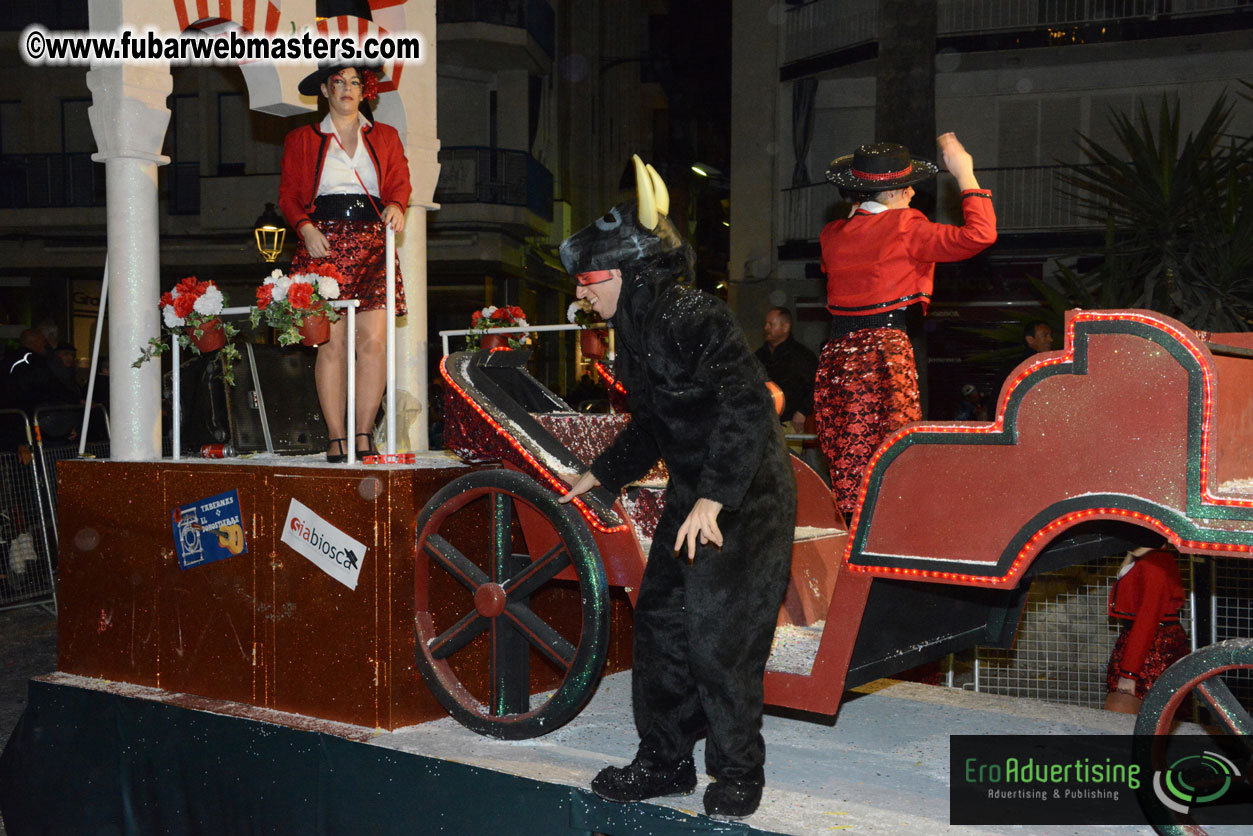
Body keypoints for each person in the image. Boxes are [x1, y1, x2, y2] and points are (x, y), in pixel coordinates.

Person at [559, 156, 796, 820]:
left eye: (586, 281)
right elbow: (652, 423)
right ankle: (663, 761)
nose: (581, 296)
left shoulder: (698, 316)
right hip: (695, 494)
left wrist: (717, 500)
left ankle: (737, 771)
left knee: (719, 635)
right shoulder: (631, 332)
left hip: (745, 496)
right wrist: (602, 472)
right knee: (661, 623)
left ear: (624, 273)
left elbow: (747, 410)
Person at [813, 134, 996, 516]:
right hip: (882, 353)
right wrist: (965, 173)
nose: (913, 193)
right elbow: (980, 234)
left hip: (835, 360)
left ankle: (853, 547)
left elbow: (846, 257)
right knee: (891, 465)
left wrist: (858, 213)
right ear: (892, 193)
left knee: (850, 465)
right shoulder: (906, 226)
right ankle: (884, 548)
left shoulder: (830, 236)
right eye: (906, 186)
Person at [278, 63, 411, 462]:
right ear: (325, 89)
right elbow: (287, 194)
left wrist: (397, 205)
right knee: (331, 346)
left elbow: (400, 181)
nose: (348, 89)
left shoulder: (384, 136)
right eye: (339, 82)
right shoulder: (302, 138)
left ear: (364, 91)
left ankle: (364, 434)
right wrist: (304, 228)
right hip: (324, 245)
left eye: (355, 82)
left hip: (373, 241)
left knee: (373, 342)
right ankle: (336, 437)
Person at [1104, 546, 1189, 715]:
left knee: (1119, 724)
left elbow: (1147, 619)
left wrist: (1129, 674)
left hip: (1150, 649)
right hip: (1147, 644)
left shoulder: (1155, 561)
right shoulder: (1148, 556)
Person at [755, 307, 817, 434]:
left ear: (785, 327)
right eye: (765, 324)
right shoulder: (758, 357)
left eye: (771, 324)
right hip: (761, 423)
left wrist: (802, 412)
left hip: (789, 424)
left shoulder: (803, 356)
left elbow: (815, 386)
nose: (766, 328)